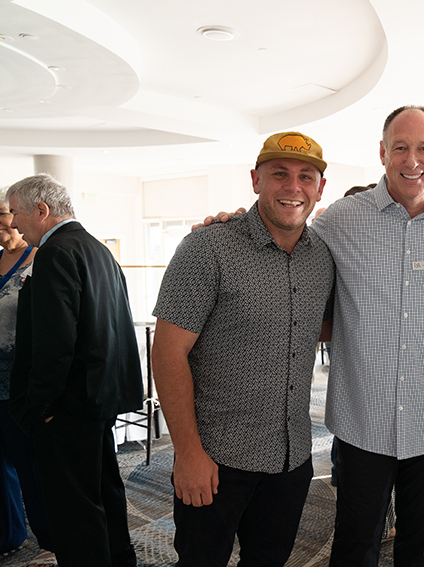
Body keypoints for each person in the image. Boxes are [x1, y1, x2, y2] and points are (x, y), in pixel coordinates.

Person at [200, 106, 424, 566]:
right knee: (355, 545)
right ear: (382, 153)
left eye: (423, 148)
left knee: (422, 547)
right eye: (399, 148)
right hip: (363, 421)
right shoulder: (340, 221)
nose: (411, 160)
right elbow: (284, 233)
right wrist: (231, 225)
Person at [151, 131, 335, 566]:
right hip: (216, 459)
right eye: (279, 175)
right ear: (256, 180)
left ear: (319, 188)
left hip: (292, 459)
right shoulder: (207, 248)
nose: (293, 188)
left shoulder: (322, 258)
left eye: (306, 177)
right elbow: (167, 354)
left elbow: (317, 330)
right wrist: (188, 454)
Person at [6, 174, 142, 567]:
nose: (13, 223)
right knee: (103, 491)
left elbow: (55, 339)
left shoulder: (54, 251)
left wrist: (42, 403)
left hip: (68, 403)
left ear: (42, 211)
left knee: (73, 508)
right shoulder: (96, 248)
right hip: (100, 395)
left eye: (16, 213)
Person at [0, 188, 55, 567]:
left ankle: (51, 540)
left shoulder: (42, 260)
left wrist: (2, 351)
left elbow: (49, 328)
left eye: (2, 213)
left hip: (22, 386)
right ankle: (6, 536)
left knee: (31, 468)